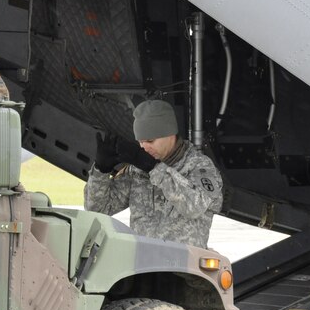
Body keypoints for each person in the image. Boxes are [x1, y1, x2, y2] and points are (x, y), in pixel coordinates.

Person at [85, 100, 222, 249]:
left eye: (150, 141)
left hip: (182, 267)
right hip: (144, 266)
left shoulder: (199, 166)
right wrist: (100, 172)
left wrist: (154, 169)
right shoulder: (137, 170)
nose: (144, 148)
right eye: (141, 142)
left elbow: (194, 207)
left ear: (170, 135)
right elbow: (98, 209)